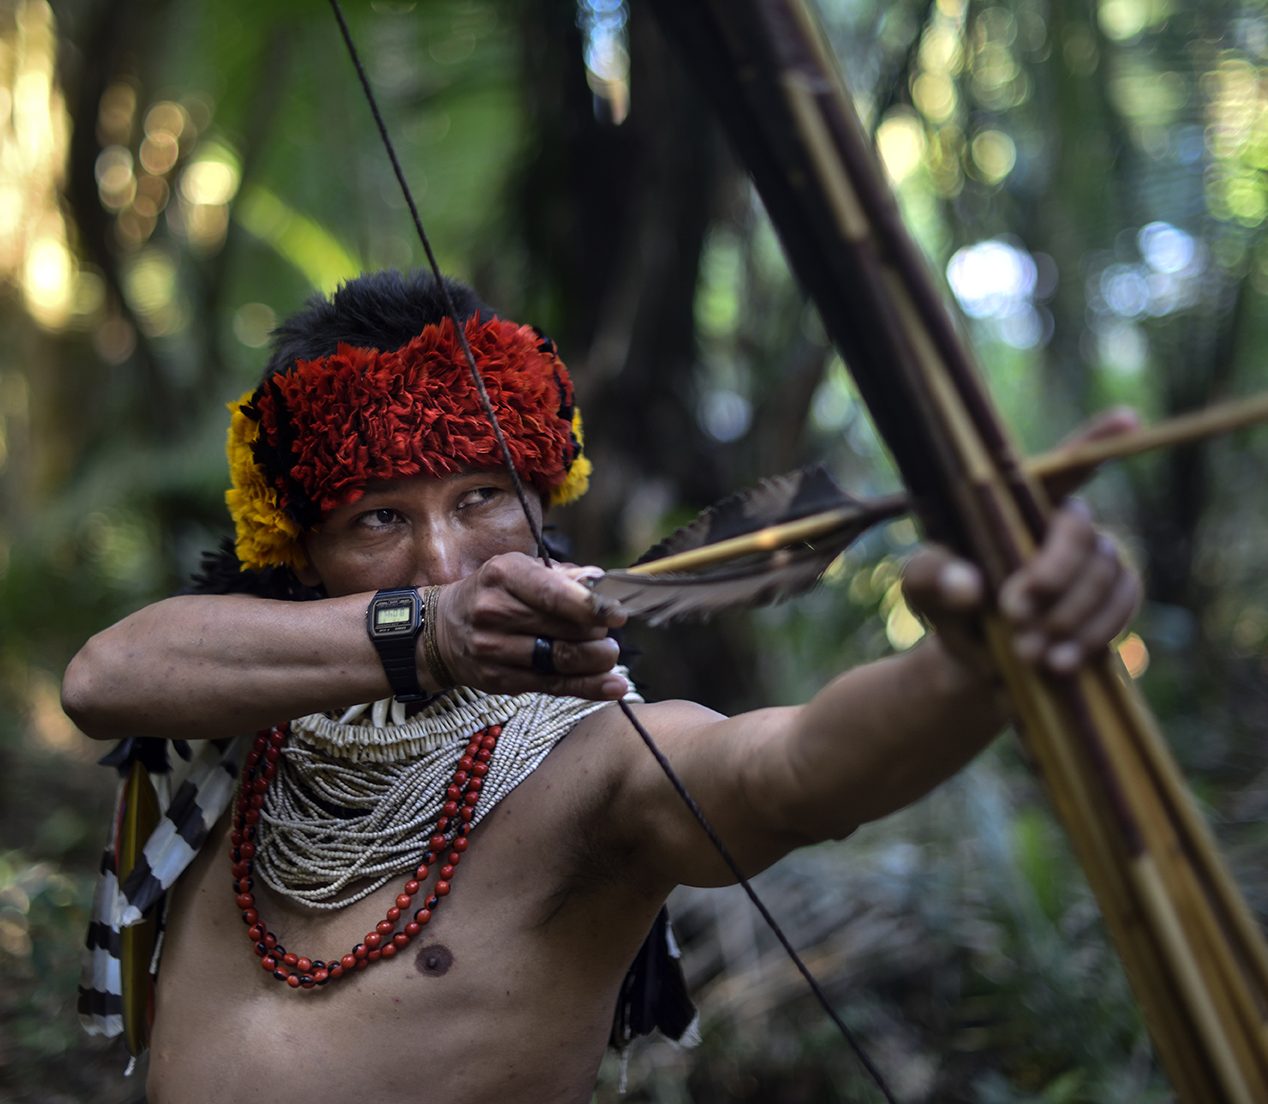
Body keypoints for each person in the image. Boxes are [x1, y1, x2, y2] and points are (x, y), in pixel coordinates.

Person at [62, 270, 1139, 1104]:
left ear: (540, 502)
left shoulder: (596, 770)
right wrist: (430, 638)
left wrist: (967, 666)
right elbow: (103, 677)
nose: (444, 561)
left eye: (481, 495)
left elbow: (789, 772)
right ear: (303, 554)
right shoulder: (235, 720)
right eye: (377, 518)